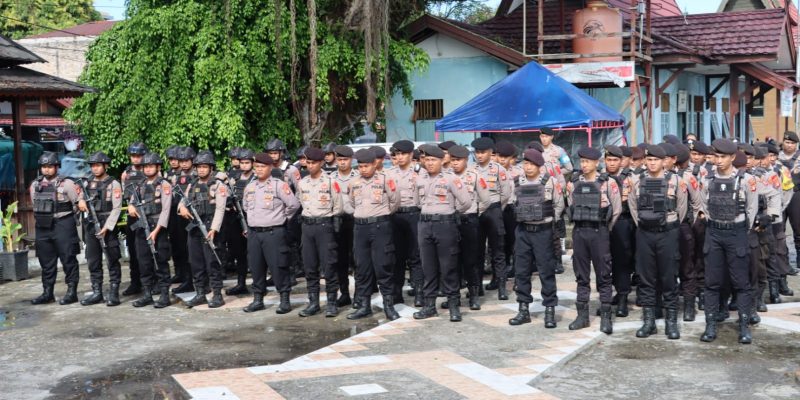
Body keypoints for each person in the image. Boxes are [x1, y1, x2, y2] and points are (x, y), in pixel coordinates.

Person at [700, 138, 758, 344]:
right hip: (714, 233)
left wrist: (739, 229)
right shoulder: (707, 179)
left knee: (741, 282)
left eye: (723, 157)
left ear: (733, 157)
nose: (718, 160)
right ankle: (710, 325)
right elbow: (704, 205)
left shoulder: (746, 180)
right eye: (716, 156)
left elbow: (752, 209)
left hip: (736, 233)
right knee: (712, 282)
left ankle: (744, 326)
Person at [628, 145, 688, 339]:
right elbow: (633, 206)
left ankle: (671, 323)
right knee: (645, 278)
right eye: (649, 160)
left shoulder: (676, 181)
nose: (652, 163)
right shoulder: (637, 181)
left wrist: (669, 224)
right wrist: (644, 224)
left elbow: (682, 207)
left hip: (668, 233)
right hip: (645, 233)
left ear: (664, 161)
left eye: (656, 160)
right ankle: (649, 322)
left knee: (669, 277)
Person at [412, 145, 472, 322]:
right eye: (427, 160)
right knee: (428, 267)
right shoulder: (419, 179)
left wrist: (450, 213)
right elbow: (417, 202)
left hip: (445, 225)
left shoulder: (451, 178)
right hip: (425, 224)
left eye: (433, 160)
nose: (430, 163)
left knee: (448, 266)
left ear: (441, 161)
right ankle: (429, 306)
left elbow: (466, 202)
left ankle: (454, 305)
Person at [566, 147, 621, 334]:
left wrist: (605, 229)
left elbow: (616, 210)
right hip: (580, 232)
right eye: (582, 161)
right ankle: (582, 316)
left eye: (588, 161)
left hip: (599, 232)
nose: (584, 165)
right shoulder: (573, 183)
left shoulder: (608, 183)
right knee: (581, 275)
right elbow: (570, 205)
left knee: (604, 275)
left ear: (597, 163)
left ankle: (606, 317)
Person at [344, 148, 401, 320]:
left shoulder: (385, 180)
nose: (363, 169)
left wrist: (381, 215)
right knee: (362, 268)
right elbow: (350, 203)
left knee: (383, 266)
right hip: (360, 228)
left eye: (366, 166)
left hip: (380, 227)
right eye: (360, 166)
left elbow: (395, 202)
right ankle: (364, 306)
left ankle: (389, 306)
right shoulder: (353, 182)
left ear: (375, 164)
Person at [508, 149, 563, 329]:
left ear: (539, 166)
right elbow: (512, 202)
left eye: (532, 164)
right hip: (523, 232)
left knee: (546, 271)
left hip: (543, 232)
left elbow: (558, 205)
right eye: (526, 163)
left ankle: (550, 310)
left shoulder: (550, 182)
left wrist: (547, 222)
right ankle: (523, 310)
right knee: (521, 271)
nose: (528, 167)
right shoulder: (516, 182)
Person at [242, 153, 301, 314]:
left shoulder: (278, 185)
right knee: (256, 267)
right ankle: (258, 299)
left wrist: (282, 218)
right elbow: (246, 207)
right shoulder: (250, 187)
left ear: (270, 167)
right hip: (254, 233)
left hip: (273, 232)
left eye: (262, 167)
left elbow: (293, 205)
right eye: (257, 167)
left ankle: (284, 300)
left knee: (278, 266)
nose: (259, 170)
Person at [296, 147, 343, 317]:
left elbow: (338, 206)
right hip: (307, 227)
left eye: (313, 163)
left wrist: (332, 224)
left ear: (321, 163)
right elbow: (301, 202)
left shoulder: (330, 181)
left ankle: (332, 303)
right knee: (309, 266)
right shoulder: (302, 183)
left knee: (329, 266)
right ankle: (313, 303)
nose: (310, 166)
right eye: (308, 163)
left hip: (325, 226)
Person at [29, 152, 81, 305]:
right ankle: (47, 293)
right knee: (46, 261)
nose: (47, 169)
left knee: (68, 258)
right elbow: (34, 204)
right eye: (44, 166)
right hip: (43, 225)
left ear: (57, 167)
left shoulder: (67, 184)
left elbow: (77, 204)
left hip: (63, 224)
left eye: (50, 166)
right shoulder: (35, 185)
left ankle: (72, 292)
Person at [178, 150, 228, 308]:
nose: (201, 170)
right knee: (196, 261)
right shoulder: (192, 184)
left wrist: (214, 229)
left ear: (211, 168)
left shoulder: (218, 185)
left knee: (212, 262)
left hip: (210, 226)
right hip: (194, 228)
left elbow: (220, 209)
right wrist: (182, 208)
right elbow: (182, 201)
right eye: (199, 167)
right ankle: (200, 293)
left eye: (204, 167)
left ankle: (217, 294)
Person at [127, 152, 173, 308]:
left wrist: (156, 230)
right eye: (145, 166)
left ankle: (165, 295)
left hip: (157, 228)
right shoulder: (140, 185)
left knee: (161, 261)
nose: (147, 169)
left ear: (158, 167)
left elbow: (166, 210)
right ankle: (147, 294)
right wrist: (131, 207)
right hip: (142, 227)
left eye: (151, 166)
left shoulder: (164, 185)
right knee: (143, 261)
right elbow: (132, 202)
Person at [77, 152, 124, 307]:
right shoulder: (86, 182)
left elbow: (117, 208)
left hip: (107, 225)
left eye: (98, 165)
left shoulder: (114, 184)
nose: (95, 168)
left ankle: (114, 293)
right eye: (93, 166)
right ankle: (97, 292)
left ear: (105, 166)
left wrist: (107, 227)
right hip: (91, 224)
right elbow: (80, 196)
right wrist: (80, 201)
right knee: (93, 260)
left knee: (112, 259)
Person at [471, 137, 512, 299]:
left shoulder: (499, 169)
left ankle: (501, 287)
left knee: (498, 250)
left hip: (494, 211)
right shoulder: (471, 170)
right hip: (476, 212)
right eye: (477, 152)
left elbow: (506, 194)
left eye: (483, 152)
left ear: (490, 152)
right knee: (477, 251)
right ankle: (477, 287)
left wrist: (497, 209)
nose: (479, 155)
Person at [449, 145, 484, 310]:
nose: (455, 163)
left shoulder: (474, 176)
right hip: (449, 221)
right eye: (452, 160)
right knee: (451, 261)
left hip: (469, 220)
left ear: (465, 160)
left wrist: (475, 213)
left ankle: (474, 296)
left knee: (471, 260)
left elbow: (486, 199)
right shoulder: (445, 176)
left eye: (458, 160)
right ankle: (454, 296)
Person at [388, 140, 422, 306]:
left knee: (416, 256)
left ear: (410, 155)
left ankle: (419, 292)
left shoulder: (419, 172)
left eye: (403, 154)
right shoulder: (389, 174)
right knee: (397, 256)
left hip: (414, 214)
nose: (400, 157)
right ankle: (396, 293)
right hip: (395, 216)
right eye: (397, 154)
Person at [604, 145, 635, 317]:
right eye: (609, 160)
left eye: (615, 160)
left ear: (621, 161)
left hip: (623, 223)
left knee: (622, 262)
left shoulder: (630, 178)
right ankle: (609, 296)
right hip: (603, 224)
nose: (612, 163)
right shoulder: (600, 178)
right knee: (605, 262)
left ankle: (623, 298)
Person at [331, 145, 358, 307]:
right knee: (340, 260)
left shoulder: (358, 176)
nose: (342, 162)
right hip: (337, 221)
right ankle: (345, 294)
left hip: (355, 220)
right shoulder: (330, 178)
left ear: (351, 160)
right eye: (339, 159)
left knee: (357, 259)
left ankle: (360, 295)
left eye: (345, 159)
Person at [224, 148, 255, 296]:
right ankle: (241, 283)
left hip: (252, 218)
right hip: (235, 219)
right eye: (242, 163)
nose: (244, 165)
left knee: (255, 252)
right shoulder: (234, 178)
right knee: (239, 252)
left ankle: (259, 283)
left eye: (247, 162)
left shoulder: (256, 178)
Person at [120, 142, 148, 296]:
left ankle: (151, 282)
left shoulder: (149, 170)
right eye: (133, 156)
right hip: (132, 215)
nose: (136, 158)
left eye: (139, 156)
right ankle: (135, 282)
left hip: (147, 214)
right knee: (132, 249)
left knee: (148, 251)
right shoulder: (126, 174)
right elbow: (125, 194)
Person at [168, 146, 196, 294]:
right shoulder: (176, 177)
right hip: (179, 216)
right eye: (181, 161)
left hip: (194, 216)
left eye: (186, 161)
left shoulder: (197, 174)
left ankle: (201, 281)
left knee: (195, 250)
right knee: (182, 249)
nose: (183, 164)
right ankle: (187, 280)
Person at [496, 140, 522, 279]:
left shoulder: (518, 172)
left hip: (512, 209)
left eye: (505, 157)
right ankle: (500, 272)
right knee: (499, 242)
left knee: (514, 241)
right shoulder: (491, 172)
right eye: (500, 156)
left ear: (511, 158)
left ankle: (516, 270)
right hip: (495, 210)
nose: (502, 160)